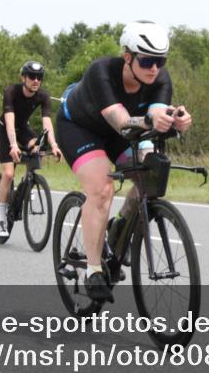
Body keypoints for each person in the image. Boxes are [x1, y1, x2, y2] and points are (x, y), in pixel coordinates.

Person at [55, 21, 192, 302]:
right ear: (127, 57)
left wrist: (176, 120)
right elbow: (120, 120)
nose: (154, 68)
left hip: (124, 132)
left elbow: (155, 116)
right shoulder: (101, 72)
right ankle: (93, 271)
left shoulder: (160, 79)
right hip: (82, 127)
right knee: (102, 187)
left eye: (160, 61)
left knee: (151, 172)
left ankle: (120, 226)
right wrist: (151, 120)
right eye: (147, 60)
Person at [0, 60, 61, 237]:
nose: (36, 81)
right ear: (23, 77)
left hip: (23, 128)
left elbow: (47, 124)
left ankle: (26, 185)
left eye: (39, 77)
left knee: (37, 147)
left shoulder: (43, 96)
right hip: (6, 129)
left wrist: (54, 145)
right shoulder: (11, 91)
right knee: (8, 174)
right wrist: (14, 145)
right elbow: (9, 121)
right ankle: (1, 216)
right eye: (32, 76)